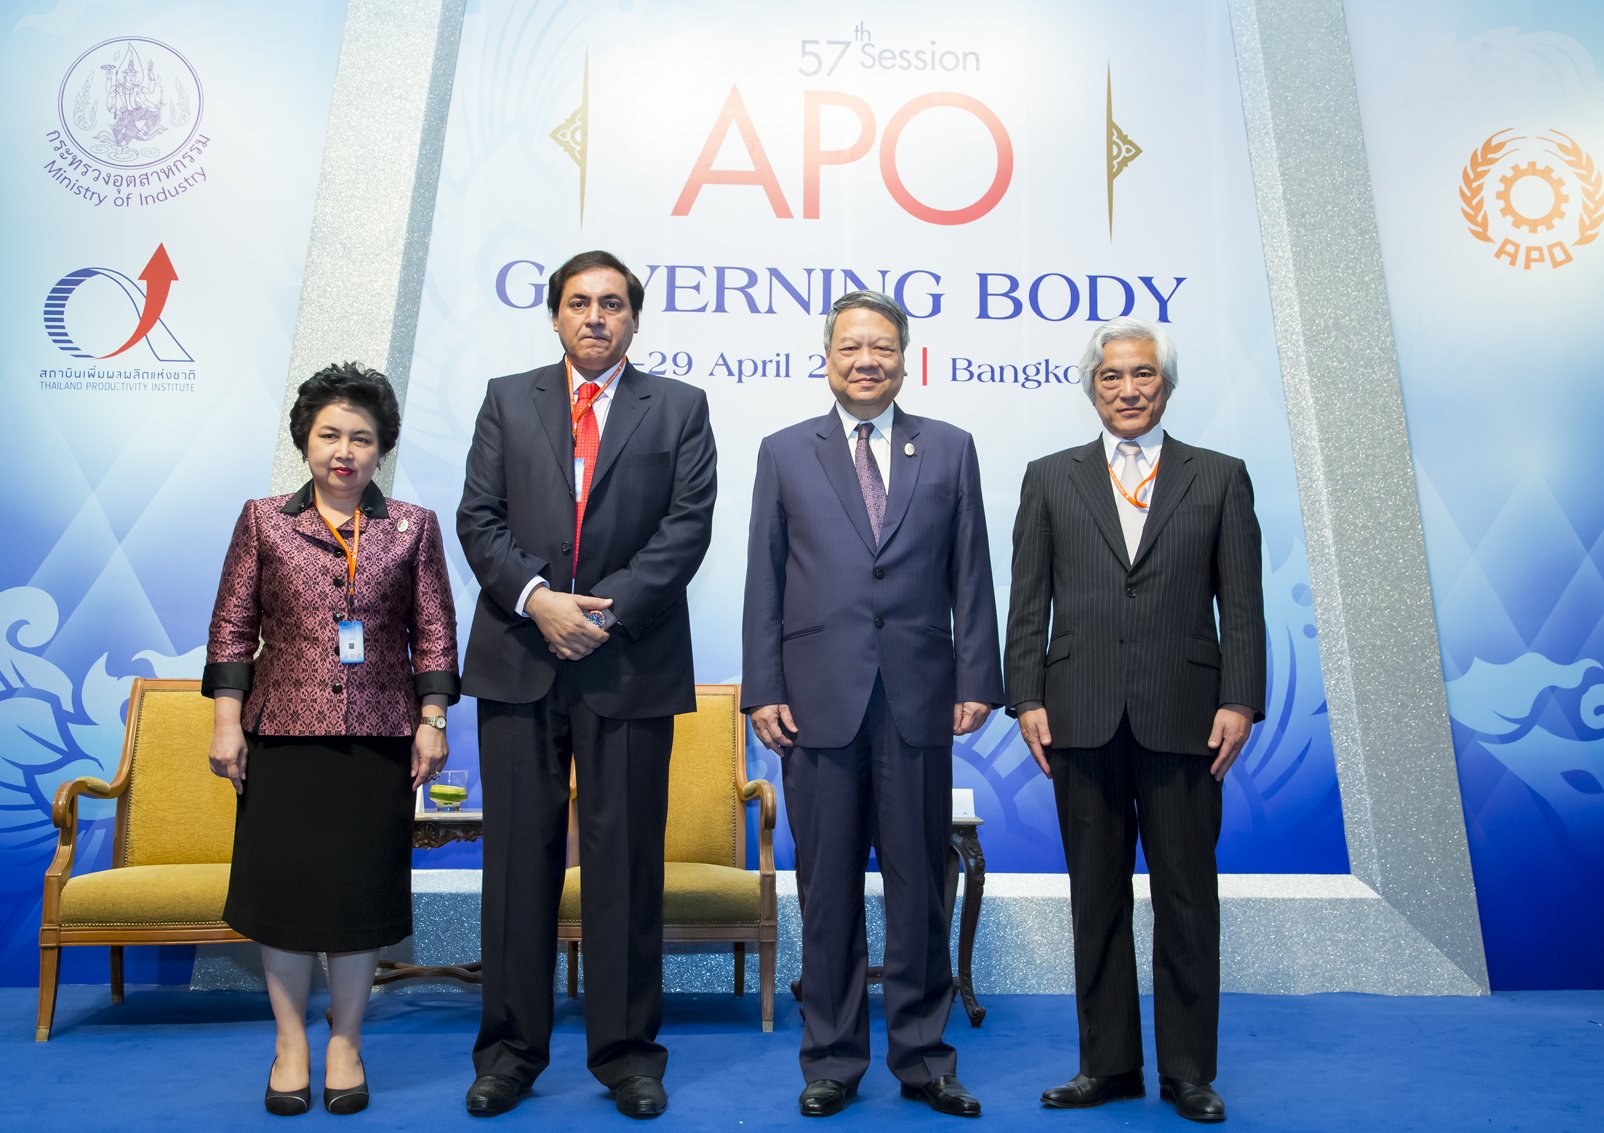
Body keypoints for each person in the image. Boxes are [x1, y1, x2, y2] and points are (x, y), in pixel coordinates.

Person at [457, 250, 717, 1120]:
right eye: (579, 302)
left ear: (635, 319)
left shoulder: (679, 407)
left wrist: (596, 617)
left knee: (627, 867)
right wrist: (539, 600)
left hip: (630, 664)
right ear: (556, 316)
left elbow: (686, 530)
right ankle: (508, 1052)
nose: (595, 317)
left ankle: (628, 1055)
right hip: (519, 660)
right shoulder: (507, 398)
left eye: (612, 303)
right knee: (516, 869)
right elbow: (478, 518)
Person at [742, 290, 1003, 1119]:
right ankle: (831, 1058)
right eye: (851, 347)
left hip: (920, 700)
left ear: (904, 358)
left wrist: (977, 677)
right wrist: (763, 688)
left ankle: (925, 1059)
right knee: (826, 890)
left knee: (919, 885)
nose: (867, 360)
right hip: (814, 704)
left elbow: (972, 574)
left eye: (882, 348)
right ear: (826, 358)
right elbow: (764, 582)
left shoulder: (951, 450)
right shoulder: (785, 452)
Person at [1003, 317, 1265, 1123]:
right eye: (1111, 376)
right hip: (1078, 715)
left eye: (1143, 374)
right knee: (1096, 898)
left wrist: (1241, 699)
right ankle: (1107, 1064)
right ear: (1092, 386)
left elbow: (1244, 605)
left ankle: (1189, 1070)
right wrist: (1026, 697)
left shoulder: (1220, 477)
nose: (1128, 388)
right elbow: (1027, 602)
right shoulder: (1050, 478)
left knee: (1188, 897)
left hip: (1186, 718)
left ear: (1167, 384)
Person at [203, 362, 460, 1117]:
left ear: (382, 450)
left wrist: (433, 719)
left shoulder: (412, 525)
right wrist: (227, 719)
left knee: (358, 898)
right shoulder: (263, 519)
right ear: (305, 442)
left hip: (378, 740)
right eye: (330, 435)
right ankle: (290, 1040)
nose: (344, 450)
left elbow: (436, 631)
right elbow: (231, 624)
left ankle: (345, 1037)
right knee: (284, 895)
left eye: (361, 437)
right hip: (281, 736)